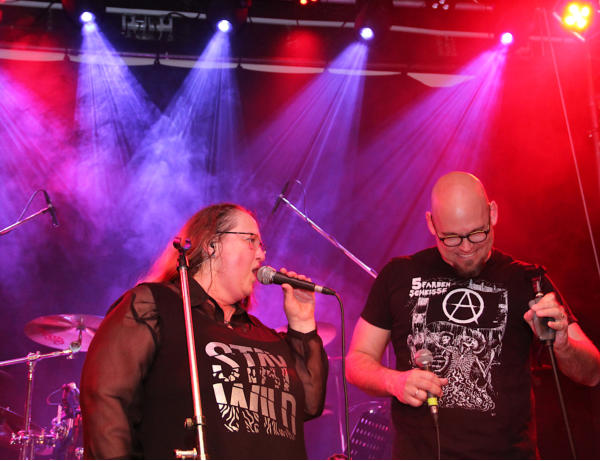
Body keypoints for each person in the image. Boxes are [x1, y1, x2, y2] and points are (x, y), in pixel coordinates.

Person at [346, 171, 600, 459]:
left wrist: (564, 345)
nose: (466, 248)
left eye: (477, 233)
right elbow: (357, 361)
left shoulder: (528, 281)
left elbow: (592, 373)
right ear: (431, 223)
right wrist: (394, 382)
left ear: (493, 214)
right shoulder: (399, 275)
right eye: (451, 238)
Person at [80, 203, 328, 459]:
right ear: (212, 244)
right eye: (250, 240)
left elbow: (308, 404)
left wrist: (302, 322)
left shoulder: (264, 335)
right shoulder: (155, 306)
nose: (261, 255)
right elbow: (106, 398)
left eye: (262, 245)